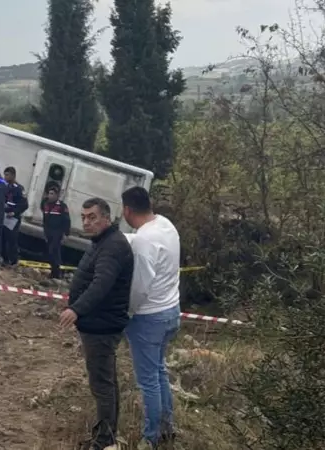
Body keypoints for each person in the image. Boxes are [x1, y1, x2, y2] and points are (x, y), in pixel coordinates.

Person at [59, 198, 134, 450]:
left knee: (102, 385)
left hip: (102, 326)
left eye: (92, 217)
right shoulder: (102, 242)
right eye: (83, 217)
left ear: (107, 218)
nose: (87, 222)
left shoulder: (112, 246)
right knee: (106, 383)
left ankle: (104, 440)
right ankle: (106, 434)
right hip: (98, 324)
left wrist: (76, 309)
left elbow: (101, 284)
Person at [121, 187, 181, 449]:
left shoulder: (144, 239)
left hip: (148, 317)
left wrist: (128, 311)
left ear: (126, 210)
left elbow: (141, 286)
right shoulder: (165, 225)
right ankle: (168, 427)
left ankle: (151, 437)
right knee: (159, 372)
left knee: (148, 382)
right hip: (171, 310)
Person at [42, 184, 71, 280]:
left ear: (57, 195)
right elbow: (45, 219)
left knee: (54, 251)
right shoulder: (45, 204)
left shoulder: (62, 206)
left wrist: (66, 234)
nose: (50, 196)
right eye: (49, 193)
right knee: (49, 253)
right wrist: (45, 232)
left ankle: (57, 273)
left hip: (57, 232)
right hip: (48, 232)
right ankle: (53, 272)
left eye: (52, 194)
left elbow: (66, 220)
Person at [2, 166, 28, 267]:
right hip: (4, 216)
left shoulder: (19, 189)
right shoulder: (5, 186)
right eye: (4, 174)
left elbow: (24, 205)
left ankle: (13, 260)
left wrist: (15, 212)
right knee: (2, 238)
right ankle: (5, 259)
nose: (5, 177)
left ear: (13, 175)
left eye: (7, 175)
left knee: (12, 239)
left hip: (13, 218)